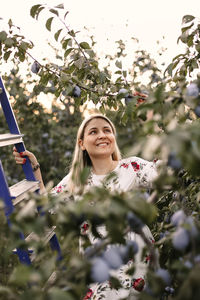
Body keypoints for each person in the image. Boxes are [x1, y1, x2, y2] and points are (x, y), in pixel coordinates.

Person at [13, 113, 160, 299]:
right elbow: (47, 207)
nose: (102, 135)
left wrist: (154, 122)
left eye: (107, 130)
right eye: (93, 131)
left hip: (137, 253)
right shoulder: (76, 181)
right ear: (82, 143)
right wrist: (35, 168)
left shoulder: (131, 167)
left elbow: (164, 173)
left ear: (114, 138)